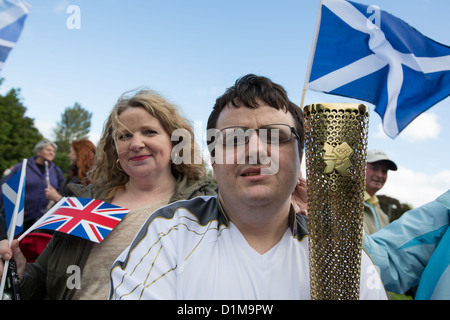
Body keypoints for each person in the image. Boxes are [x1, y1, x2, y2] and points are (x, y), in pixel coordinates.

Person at [109, 74, 387, 300]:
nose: (255, 150)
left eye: (276, 135)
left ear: (301, 159)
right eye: (233, 138)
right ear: (214, 164)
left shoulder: (340, 256)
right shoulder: (170, 233)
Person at [0, 89, 216, 299]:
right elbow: (43, 278)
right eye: (125, 136)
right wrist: (18, 274)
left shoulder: (205, 207)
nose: (136, 144)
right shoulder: (83, 203)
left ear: (175, 141)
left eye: (149, 132)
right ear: (114, 148)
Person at [364, 189, 450, 300]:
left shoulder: (382, 213)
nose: (380, 176)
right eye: (375, 170)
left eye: (384, 171)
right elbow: (391, 259)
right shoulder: (444, 212)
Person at [0, 141, 65, 233]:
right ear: (38, 152)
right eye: (49, 150)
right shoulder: (22, 167)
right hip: (18, 220)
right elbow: (5, 188)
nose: (52, 153)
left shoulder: (56, 171)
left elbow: (62, 191)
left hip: (43, 222)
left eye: (54, 151)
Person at [363, 149, 397, 235]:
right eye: (374, 168)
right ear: (360, 167)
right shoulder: (345, 205)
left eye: (384, 171)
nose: (380, 175)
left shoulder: (384, 216)